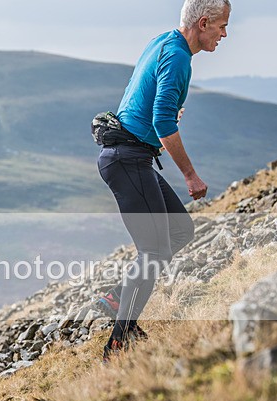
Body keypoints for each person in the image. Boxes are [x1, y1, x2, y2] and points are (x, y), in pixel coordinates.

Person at [95, 0, 231, 361]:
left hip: (131, 157)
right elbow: (163, 122)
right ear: (203, 23)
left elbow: (149, 100)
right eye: (222, 26)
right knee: (153, 251)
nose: (224, 34)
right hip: (127, 160)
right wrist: (190, 175)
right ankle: (118, 344)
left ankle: (117, 297)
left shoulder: (165, 41)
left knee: (180, 230)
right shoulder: (178, 56)